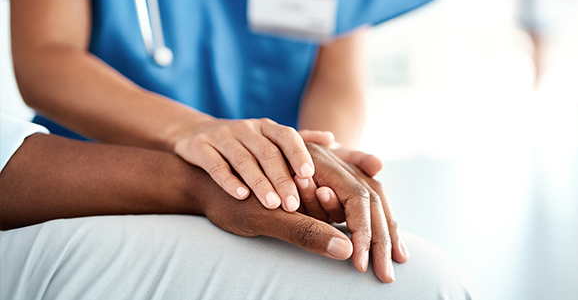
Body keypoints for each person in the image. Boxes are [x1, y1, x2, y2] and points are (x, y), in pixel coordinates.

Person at [0, 114, 476, 299]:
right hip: (91, 179)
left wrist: (308, 165)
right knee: (419, 287)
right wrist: (202, 174)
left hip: (249, 174)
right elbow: (49, 58)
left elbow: (337, 65)